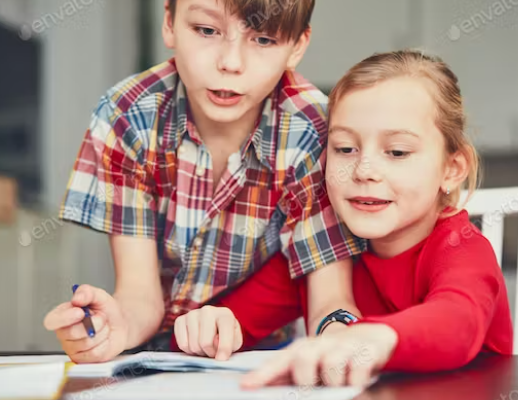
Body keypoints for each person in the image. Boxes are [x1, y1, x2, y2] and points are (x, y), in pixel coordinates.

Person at [43, 0, 365, 363]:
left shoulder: (315, 133)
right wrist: (114, 328)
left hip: (261, 356)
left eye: (263, 39)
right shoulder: (129, 115)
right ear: (169, 23)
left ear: (297, 47)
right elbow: (139, 296)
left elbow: (329, 298)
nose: (230, 63)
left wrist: (339, 336)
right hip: (152, 358)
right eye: (207, 31)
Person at [170, 49, 514, 387]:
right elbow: (230, 324)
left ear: (452, 169)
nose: (364, 171)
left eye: (396, 152)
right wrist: (210, 325)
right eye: (345, 148)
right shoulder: (321, 252)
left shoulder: (461, 249)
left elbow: (459, 322)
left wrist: (370, 340)